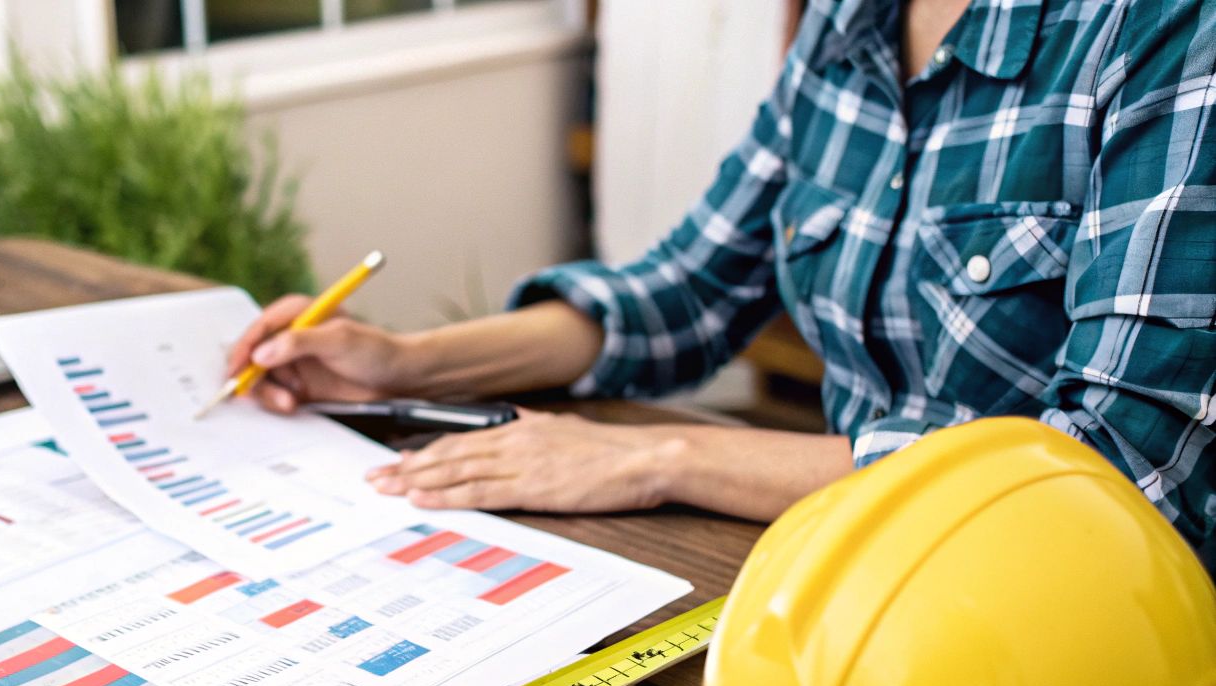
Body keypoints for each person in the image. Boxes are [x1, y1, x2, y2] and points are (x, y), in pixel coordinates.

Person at [225, 0, 1215, 568]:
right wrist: (406, 362)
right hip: (833, 569)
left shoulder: (1168, 32)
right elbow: (689, 289)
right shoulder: (846, 18)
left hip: (1071, 614)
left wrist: (656, 458)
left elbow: (1109, 474)